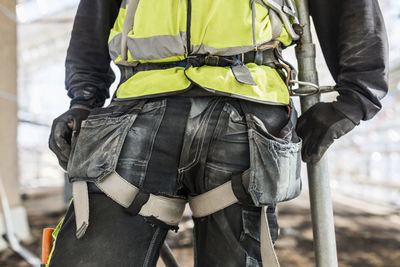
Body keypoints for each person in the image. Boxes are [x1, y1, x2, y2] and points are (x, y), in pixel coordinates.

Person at [47, 0, 388, 266]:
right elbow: (94, 15)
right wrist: (83, 101)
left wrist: (357, 95)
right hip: (139, 107)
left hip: (248, 113)